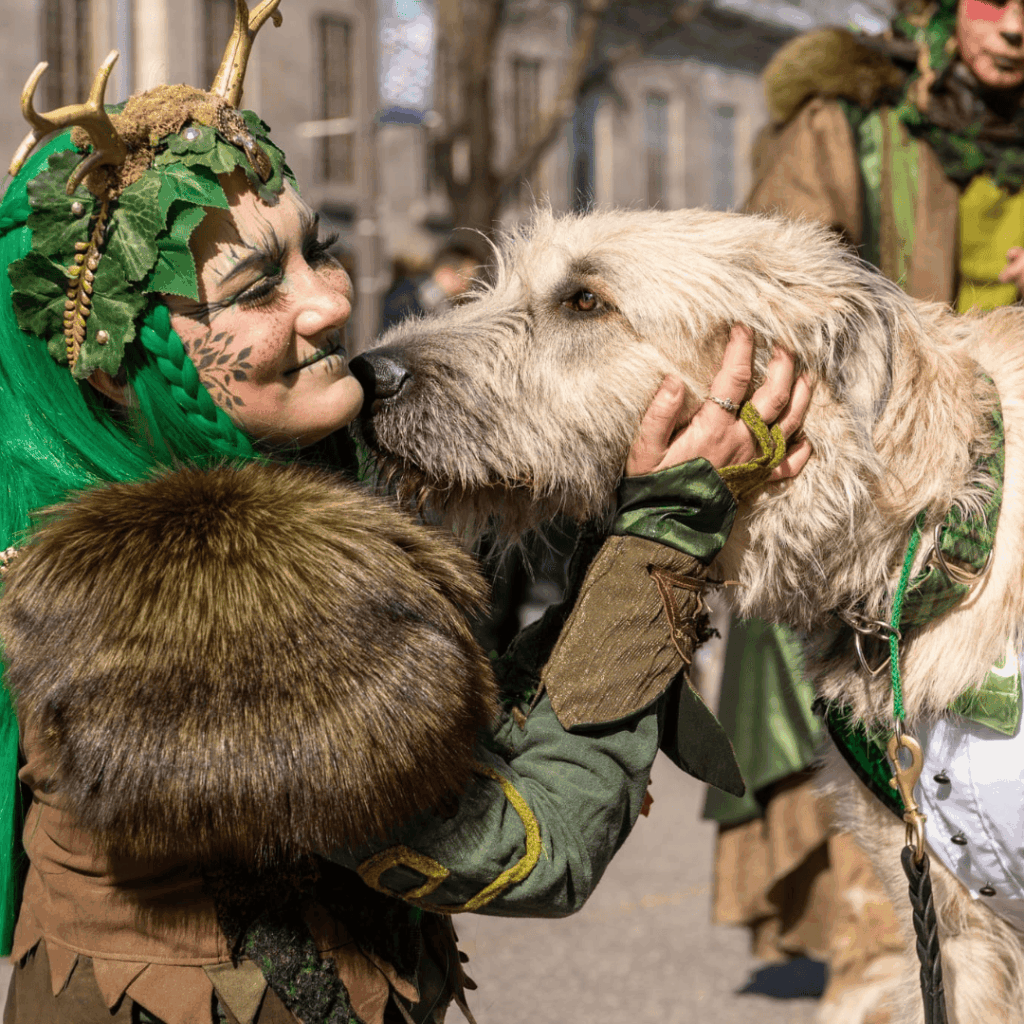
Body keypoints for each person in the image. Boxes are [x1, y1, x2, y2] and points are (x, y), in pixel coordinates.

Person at [0, 5, 812, 1023]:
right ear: (125, 366)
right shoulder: (174, 599)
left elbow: (453, 734)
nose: (329, 302)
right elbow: (529, 843)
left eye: (318, 248)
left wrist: (631, 533)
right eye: (257, 285)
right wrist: (666, 530)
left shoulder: (288, 501)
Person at [706, 1, 1024, 1020]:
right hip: (879, 513)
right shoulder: (848, 127)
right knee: (903, 881)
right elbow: (774, 298)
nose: (1014, 26)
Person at [379, 243, 480, 334]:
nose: (466, 287)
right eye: (464, 278)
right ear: (446, 270)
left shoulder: (442, 305)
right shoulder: (405, 295)